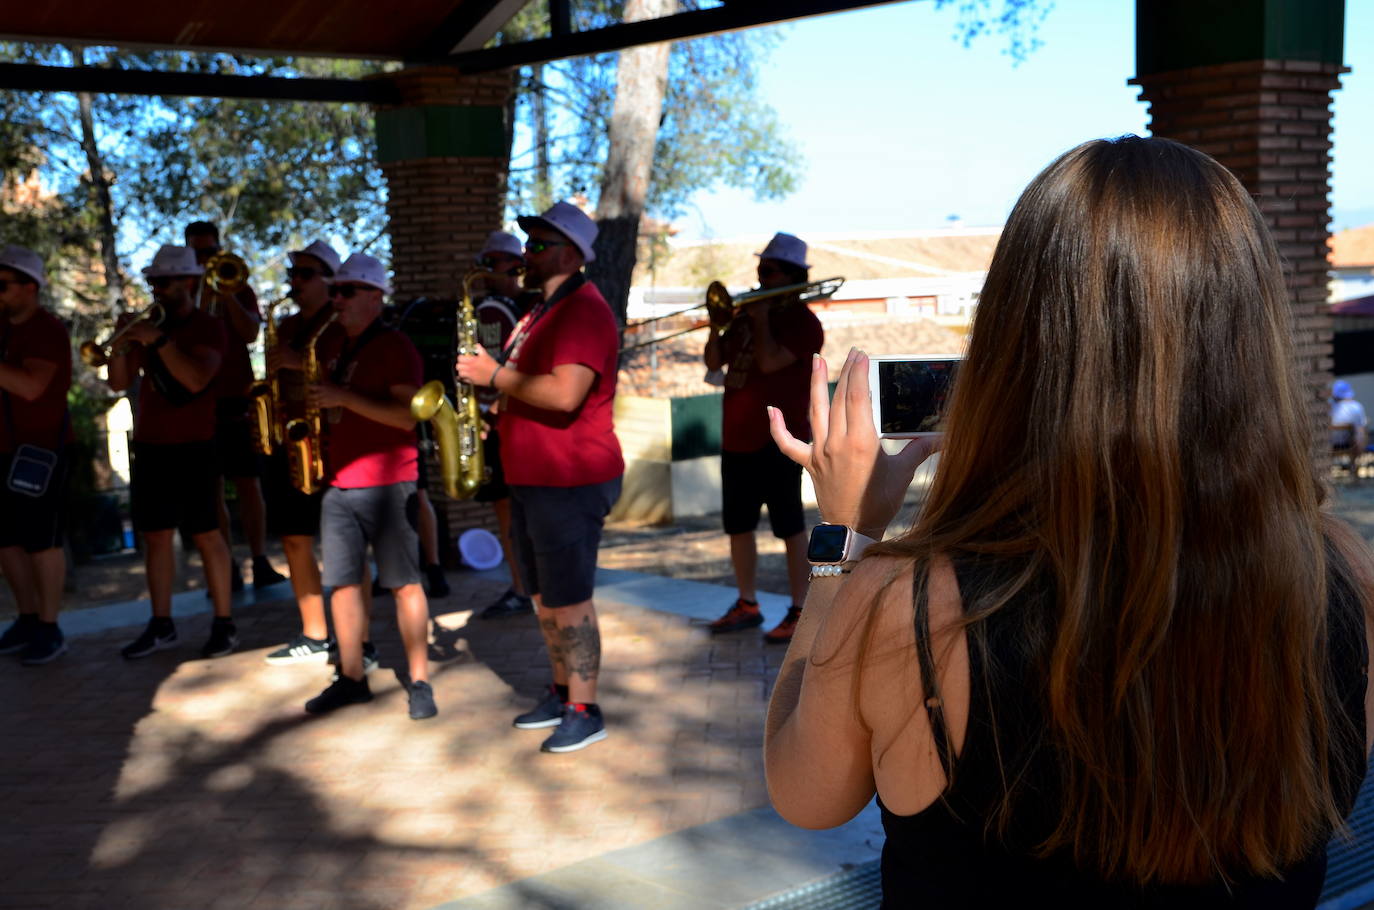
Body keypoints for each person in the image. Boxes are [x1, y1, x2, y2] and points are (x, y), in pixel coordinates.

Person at [763, 136, 1374, 905]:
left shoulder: (910, 606)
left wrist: (842, 541)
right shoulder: (1346, 579)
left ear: (1017, 345)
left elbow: (803, 792)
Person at [456, 203, 623, 753]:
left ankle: (585, 706)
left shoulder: (583, 311)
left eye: (538, 245)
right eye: (527, 245)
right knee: (545, 599)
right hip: (535, 475)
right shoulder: (542, 310)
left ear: (571, 255)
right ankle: (561, 689)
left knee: (570, 599)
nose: (525, 255)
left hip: (570, 477)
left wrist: (495, 375)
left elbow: (564, 393)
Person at [303, 253, 435, 720]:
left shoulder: (395, 346)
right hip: (339, 483)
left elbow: (406, 416)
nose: (336, 300)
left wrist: (344, 398)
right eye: (334, 291)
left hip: (389, 481)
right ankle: (352, 677)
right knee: (341, 585)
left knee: (403, 584)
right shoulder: (331, 341)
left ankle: (420, 681)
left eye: (347, 291)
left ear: (376, 296)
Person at [108, 245, 237, 659]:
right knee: (156, 536)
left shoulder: (208, 326)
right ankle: (161, 624)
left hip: (196, 443)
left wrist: (159, 340)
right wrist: (119, 343)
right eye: (152, 283)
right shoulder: (150, 326)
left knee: (206, 533)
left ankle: (224, 623)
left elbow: (197, 379)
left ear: (189, 282)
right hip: (151, 445)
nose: (156, 290)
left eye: (163, 282)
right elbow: (116, 382)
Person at [705, 232, 824, 644]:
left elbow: (772, 362)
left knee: (790, 527)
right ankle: (747, 603)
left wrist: (758, 319)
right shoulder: (742, 317)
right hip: (735, 437)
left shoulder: (803, 323)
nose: (760, 276)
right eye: (760, 268)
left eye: (768, 270)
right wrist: (716, 323)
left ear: (790, 275)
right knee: (738, 526)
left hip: (778, 441)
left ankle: (799, 608)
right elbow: (713, 362)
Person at [260, 240, 352, 665]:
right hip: (291, 438)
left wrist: (298, 362)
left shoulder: (340, 324)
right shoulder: (288, 325)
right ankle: (314, 632)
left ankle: (351, 635)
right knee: (294, 538)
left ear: (329, 281)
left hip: (333, 443)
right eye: (292, 275)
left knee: (339, 544)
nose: (294, 282)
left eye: (304, 275)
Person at [185, 220, 285, 591]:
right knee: (212, 488)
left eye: (210, 252)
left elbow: (250, 334)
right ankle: (224, 567)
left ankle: (260, 561)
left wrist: (225, 295)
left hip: (236, 397)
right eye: (197, 252)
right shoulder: (183, 289)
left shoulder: (236, 284)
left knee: (248, 483)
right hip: (199, 401)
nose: (205, 258)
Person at [0, 245, 72, 665]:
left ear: (30, 287)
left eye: (3, 285)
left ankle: (50, 626)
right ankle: (27, 618)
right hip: (4, 450)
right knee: (7, 543)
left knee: (41, 542)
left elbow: (30, 387)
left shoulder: (48, 330)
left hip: (42, 452)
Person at [469, 230, 537, 620]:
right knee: (505, 511)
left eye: (495, 263)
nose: (489, 271)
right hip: (489, 424)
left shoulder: (534, 306)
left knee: (529, 514)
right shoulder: (478, 307)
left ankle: (534, 588)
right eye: (485, 262)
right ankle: (519, 586)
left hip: (522, 425)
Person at [1331, 379, 1367, 451]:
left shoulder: (1329, 407)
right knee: (1361, 429)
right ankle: (1360, 456)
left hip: (1329, 446)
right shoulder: (1356, 406)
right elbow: (1360, 429)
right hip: (1349, 445)